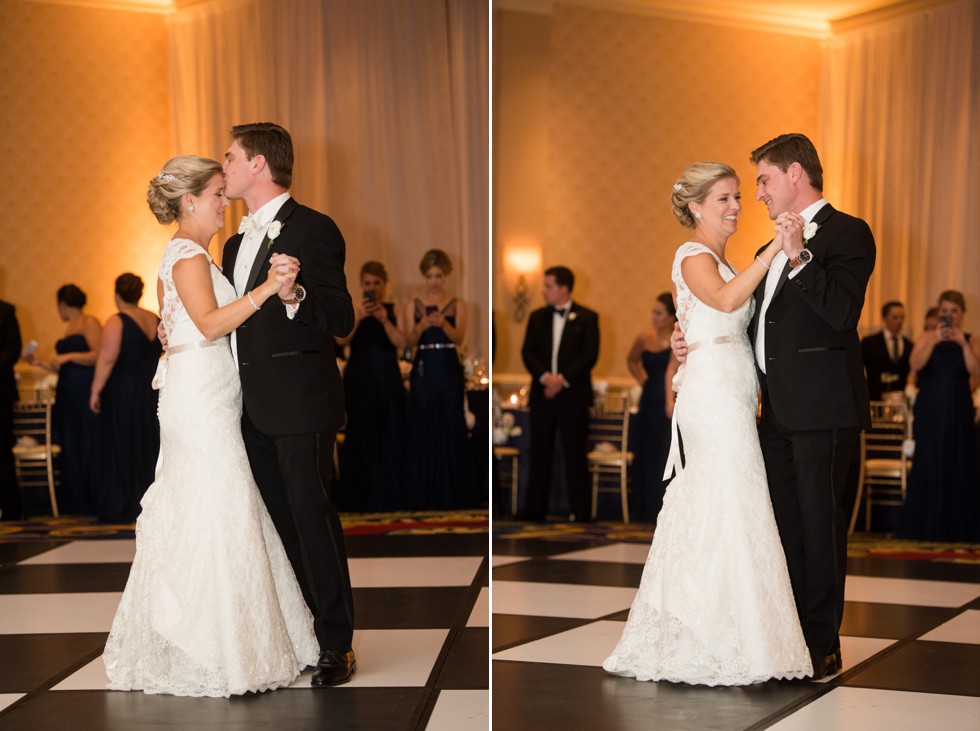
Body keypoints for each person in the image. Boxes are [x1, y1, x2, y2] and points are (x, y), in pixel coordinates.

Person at [103, 155, 317, 697]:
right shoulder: (188, 255)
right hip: (199, 398)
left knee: (217, 504)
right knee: (216, 505)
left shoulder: (193, 254)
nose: (226, 202)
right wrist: (268, 289)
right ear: (190, 200)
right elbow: (209, 323)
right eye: (219, 193)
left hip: (206, 390)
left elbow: (179, 328)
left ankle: (220, 635)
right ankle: (214, 644)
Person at [670, 135, 877, 680]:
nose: (755, 195)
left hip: (823, 409)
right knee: (781, 529)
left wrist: (797, 256)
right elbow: (744, 317)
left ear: (793, 174)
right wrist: (688, 334)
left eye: (761, 180)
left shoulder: (846, 232)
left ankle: (822, 643)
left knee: (820, 527)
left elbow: (841, 313)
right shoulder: (769, 244)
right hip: (769, 411)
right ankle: (785, 639)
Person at [604, 162, 811, 684]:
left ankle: (737, 630)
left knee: (737, 502)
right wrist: (772, 249)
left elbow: (715, 315)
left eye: (738, 196)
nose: (736, 205)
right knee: (724, 497)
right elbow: (723, 300)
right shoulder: (693, 254)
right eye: (723, 198)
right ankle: (707, 633)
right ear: (696, 207)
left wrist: (685, 336)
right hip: (712, 395)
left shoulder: (724, 258)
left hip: (735, 391)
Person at [217, 123, 357, 686]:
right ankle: (300, 634)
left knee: (312, 521)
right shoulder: (230, 244)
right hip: (245, 410)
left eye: (228, 156)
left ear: (257, 165)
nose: (221, 165)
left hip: (302, 406)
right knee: (275, 527)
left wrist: (296, 293)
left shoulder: (315, 228)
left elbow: (342, 319)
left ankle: (336, 645)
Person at [520, 266, 600, 522]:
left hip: (573, 395)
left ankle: (582, 511)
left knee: (574, 453)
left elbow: (589, 355)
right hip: (543, 394)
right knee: (539, 451)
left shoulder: (588, 317)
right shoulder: (536, 317)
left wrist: (562, 380)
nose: (544, 291)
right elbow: (527, 352)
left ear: (564, 288)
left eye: (548, 286)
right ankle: (534, 510)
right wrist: (546, 378)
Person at [900, 290, 980, 542]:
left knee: (958, 458)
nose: (949, 316)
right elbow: (915, 365)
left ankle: (958, 526)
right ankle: (925, 524)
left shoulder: (972, 339)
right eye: (944, 311)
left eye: (954, 311)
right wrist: (935, 339)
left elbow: (976, 370)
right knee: (930, 456)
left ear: (962, 314)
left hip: (958, 406)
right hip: (931, 405)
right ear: (939, 312)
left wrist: (963, 344)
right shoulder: (926, 336)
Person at [403, 248, 476, 509]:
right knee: (423, 423)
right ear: (424, 276)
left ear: (446, 276)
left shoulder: (459, 304)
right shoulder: (413, 304)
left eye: (439, 276)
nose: (434, 281)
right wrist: (422, 326)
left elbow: (459, 338)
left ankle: (452, 491)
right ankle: (422, 491)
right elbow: (408, 342)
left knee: (449, 423)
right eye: (430, 276)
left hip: (447, 368)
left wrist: (443, 323)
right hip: (423, 368)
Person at [89, 273, 163, 524]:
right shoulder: (154, 318)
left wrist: (95, 391)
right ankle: (149, 500)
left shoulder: (116, 321)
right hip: (151, 390)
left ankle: (124, 502)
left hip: (124, 392)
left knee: (124, 441)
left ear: (117, 294)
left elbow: (107, 359)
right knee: (148, 442)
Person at [334, 261, 408, 512]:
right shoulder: (355, 308)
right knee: (361, 430)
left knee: (389, 429)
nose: (372, 288)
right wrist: (361, 316)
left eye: (377, 283)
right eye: (368, 284)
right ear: (361, 284)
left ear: (384, 285)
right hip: (360, 376)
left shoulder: (394, 309)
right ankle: (359, 496)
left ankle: (390, 495)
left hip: (387, 375)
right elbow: (340, 338)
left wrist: (385, 320)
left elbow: (402, 342)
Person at [26, 285, 102, 514]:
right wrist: (41, 363)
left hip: (84, 389)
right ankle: (74, 501)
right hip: (66, 390)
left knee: (86, 441)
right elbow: (64, 365)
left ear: (62, 304)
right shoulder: (69, 328)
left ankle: (91, 499)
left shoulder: (89, 322)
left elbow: (98, 354)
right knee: (70, 443)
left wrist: (66, 356)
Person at [625, 292, 678, 523]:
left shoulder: (678, 336)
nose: (653, 317)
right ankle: (644, 509)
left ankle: (663, 507)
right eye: (652, 312)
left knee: (665, 453)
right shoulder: (644, 337)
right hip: (649, 399)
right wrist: (642, 380)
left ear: (670, 317)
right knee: (645, 453)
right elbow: (631, 360)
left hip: (669, 399)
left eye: (658, 313)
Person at [861, 301, 913, 401]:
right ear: (884, 318)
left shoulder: (909, 345)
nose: (899, 321)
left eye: (902, 317)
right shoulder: (869, 343)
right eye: (895, 317)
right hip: (875, 401)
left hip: (901, 402)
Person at [0, 300, 22, 521]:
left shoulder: (6, 310)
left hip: (1, 393)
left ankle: (10, 507)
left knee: (2, 449)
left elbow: (13, 349)